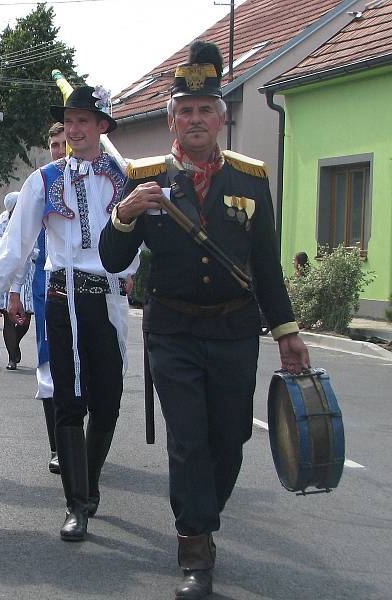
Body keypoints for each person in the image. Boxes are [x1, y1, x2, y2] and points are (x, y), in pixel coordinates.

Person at [99, 40, 311, 600]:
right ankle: (195, 542)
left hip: (235, 330)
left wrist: (288, 333)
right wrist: (123, 214)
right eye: (185, 111)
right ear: (171, 119)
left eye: (205, 110)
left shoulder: (249, 178)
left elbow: (266, 262)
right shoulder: (143, 177)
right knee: (189, 440)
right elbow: (111, 259)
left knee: (230, 438)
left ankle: (202, 513)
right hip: (173, 331)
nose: (195, 120)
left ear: (221, 117)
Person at [0, 85, 140, 542]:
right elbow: (16, 243)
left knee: (108, 401)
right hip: (61, 298)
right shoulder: (44, 180)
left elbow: (141, 239)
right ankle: (76, 502)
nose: (75, 129)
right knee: (68, 399)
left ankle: (90, 477)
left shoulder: (126, 177)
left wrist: (135, 269)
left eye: (85, 120)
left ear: (102, 127)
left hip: (105, 299)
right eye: (70, 120)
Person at [10, 122, 66, 474]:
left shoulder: (103, 178)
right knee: (50, 365)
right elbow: (22, 243)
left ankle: (77, 437)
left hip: (96, 293)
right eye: (56, 144)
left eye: (65, 143)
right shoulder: (43, 184)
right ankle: (58, 446)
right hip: (50, 291)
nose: (61, 150)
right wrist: (14, 290)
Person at [0, 192, 34, 371]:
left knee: (26, 319)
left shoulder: (31, 221)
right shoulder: (1, 226)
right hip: (7, 274)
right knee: (9, 319)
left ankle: (16, 345)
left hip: (28, 274)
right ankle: (12, 356)